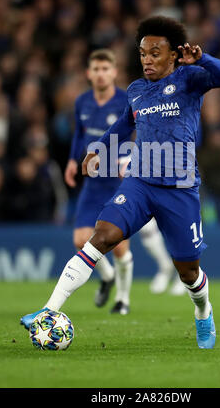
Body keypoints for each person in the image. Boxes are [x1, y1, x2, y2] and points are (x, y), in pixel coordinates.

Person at [21, 16, 220, 349]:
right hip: (139, 182)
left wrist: (203, 58)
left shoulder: (191, 78)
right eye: (142, 53)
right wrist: (98, 151)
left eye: (155, 53)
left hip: (180, 187)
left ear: (173, 54)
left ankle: (203, 311)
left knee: (188, 273)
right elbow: (123, 127)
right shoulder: (136, 91)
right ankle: (48, 311)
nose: (147, 60)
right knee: (100, 237)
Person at [63, 49, 181, 314]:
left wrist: (130, 157)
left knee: (118, 246)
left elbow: (144, 128)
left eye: (106, 69)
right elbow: (79, 135)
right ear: (89, 73)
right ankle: (107, 277)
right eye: (96, 69)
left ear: (114, 73)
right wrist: (73, 160)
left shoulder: (125, 99)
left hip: (118, 181)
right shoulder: (82, 102)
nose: (101, 74)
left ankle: (123, 300)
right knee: (81, 240)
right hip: (94, 182)